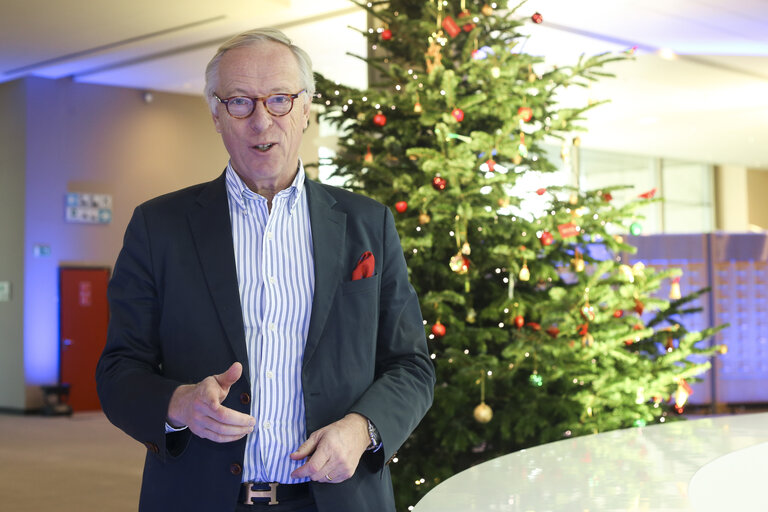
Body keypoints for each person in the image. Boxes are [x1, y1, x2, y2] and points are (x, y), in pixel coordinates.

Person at [95, 28, 435, 512]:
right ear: (216, 114)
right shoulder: (158, 226)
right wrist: (179, 404)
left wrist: (363, 429)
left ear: (305, 108)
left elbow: (411, 364)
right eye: (239, 102)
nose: (261, 121)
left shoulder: (368, 224)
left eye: (279, 99)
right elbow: (117, 370)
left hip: (336, 500)